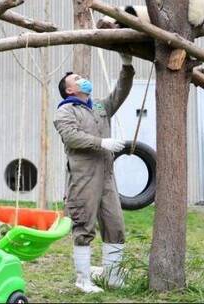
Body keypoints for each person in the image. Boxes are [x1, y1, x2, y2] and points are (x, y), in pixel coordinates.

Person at [53, 53, 134, 293]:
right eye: (77, 79)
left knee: (115, 224)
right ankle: (83, 279)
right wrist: (102, 143)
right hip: (82, 177)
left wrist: (126, 66)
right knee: (83, 227)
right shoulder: (65, 111)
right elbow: (72, 137)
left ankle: (113, 276)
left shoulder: (99, 106)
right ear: (69, 90)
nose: (83, 79)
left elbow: (121, 92)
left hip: (107, 177)